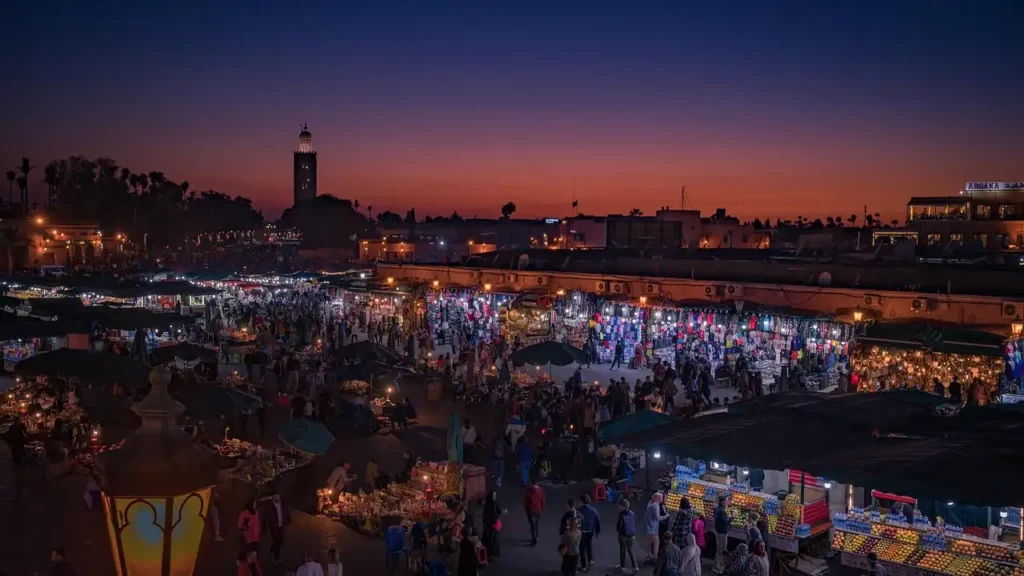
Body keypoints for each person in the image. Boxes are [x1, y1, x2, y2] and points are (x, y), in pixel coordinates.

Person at [262, 490, 291, 564]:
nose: (276, 498)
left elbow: (286, 511)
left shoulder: (283, 503)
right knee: (276, 541)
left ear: (279, 495)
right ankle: (277, 559)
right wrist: (264, 527)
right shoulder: (270, 506)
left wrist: (288, 519)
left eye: (277, 496)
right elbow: (266, 517)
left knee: (281, 542)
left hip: (281, 526)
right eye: (274, 497)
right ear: (272, 498)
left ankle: (272, 549)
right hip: (274, 527)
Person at [578, 494, 601, 572]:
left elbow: (577, 521)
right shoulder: (594, 510)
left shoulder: (579, 511)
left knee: (581, 548)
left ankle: (583, 566)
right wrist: (597, 531)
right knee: (589, 544)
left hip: (582, 531)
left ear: (582, 502)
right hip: (591, 531)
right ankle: (590, 560)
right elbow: (597, 521)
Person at [645, 493, 670, 564]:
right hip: (653, 528)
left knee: (649, 543)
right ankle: (654, 558)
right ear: (658, 498)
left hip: (649, 527)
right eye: (662, 498)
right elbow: (658, 517)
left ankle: (648, 557)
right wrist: (667, 516)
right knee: (656, 542)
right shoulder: (656, 506)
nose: (663, 499)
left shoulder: (650, 504)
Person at [617, 499, 640, 573]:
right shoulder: (632, 513)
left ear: (623, 507)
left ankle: (622, 566)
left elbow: (620, 525)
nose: (618, 507)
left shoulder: (621, 514)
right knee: (630, 550)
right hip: (632, 535)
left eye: (620, 506)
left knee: (622, 550)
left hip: (623, 536)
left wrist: (618, 530)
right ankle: (635, 567)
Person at [523, 479, 545, 547]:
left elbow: (525, 502)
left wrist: (526, 509)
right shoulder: (541, 491)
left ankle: (534, 542)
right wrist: (541, 508)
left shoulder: (528, 491)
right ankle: (536, 537)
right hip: (538, 510)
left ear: (531, 483)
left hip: (531, 510)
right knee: (536, 524)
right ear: (537, 483)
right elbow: (543, 500)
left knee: (532, 526)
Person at [482, 490, 505, 558]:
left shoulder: (496, 503)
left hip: (495, 526)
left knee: (495, 540)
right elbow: (485, 517)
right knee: (489, 541)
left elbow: (499, 511)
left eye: (495, 495)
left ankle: (494, 553)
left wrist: (500, 513)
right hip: (489, 525)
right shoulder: (487, 505)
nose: (494, 497)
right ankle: (489, 554)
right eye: (493, 495)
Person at [713, 495, 732, 574]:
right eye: (727, 500)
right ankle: (716, 569)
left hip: (718, 531)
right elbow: (726, 522)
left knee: (720, 549)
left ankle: (719, 567)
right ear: (722, 502)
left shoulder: (717, 508)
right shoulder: (722, 511)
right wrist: (732, 517)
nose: (728, 501)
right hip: (721, 533)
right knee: (721, 550)